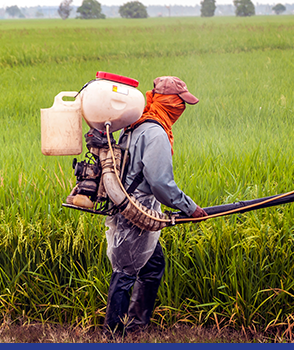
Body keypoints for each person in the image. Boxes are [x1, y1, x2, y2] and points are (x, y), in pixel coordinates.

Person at [103, 76, 207, 333]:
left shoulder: (136, 125)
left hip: (128, 205)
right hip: (136, 212)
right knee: (126, 271)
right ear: (168, 101)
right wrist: (189, 207)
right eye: (179, 103)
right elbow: (160, 183)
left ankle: (137, 327)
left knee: (152, 265)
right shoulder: (155, 132)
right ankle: (112, 334)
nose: (181, 109)